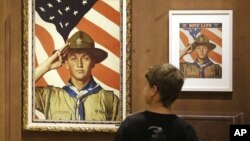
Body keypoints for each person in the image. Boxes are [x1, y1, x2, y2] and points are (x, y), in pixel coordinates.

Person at [35, 31, 120, 121]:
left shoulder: (110, 101)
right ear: (66, 63)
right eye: (73, 58)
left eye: (85, 58)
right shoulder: (49, 97)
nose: (79, 64)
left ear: (93, 62)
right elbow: (20, 90)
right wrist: (46, 66)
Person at [115, 63, 198, 141]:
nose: (144, 89)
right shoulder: (185, 129)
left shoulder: (130, 124)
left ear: (153, 90)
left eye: (146, 85)